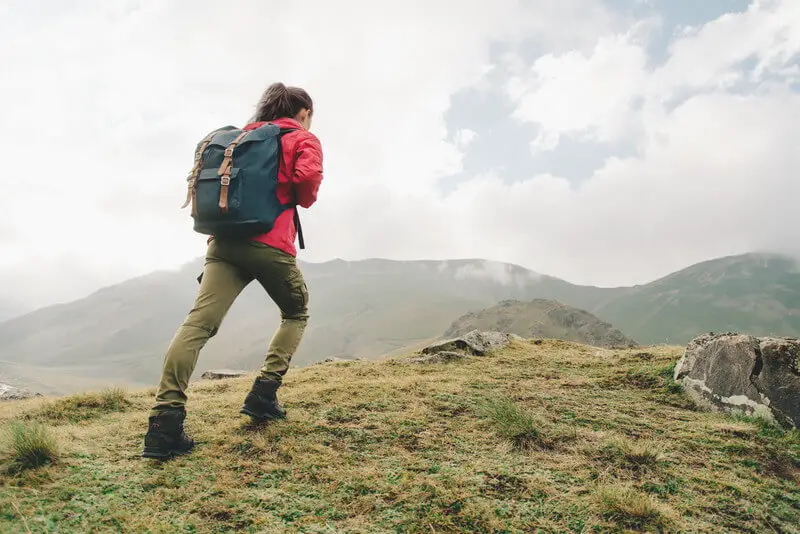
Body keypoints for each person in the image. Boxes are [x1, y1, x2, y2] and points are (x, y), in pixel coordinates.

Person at [142, 83, 323, 459]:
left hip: (222, 245)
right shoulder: (301, 138)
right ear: (303, 112)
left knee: (197, 325)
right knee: (296, 313)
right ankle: (263, 394)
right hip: (271, 244)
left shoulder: (240, 138)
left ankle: (163, 424)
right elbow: (306, 188)